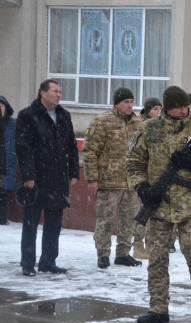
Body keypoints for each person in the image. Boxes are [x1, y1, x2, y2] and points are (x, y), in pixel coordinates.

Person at [126, 85, 191, 323]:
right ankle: (158, 307)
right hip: (159, 207)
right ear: (166, 107)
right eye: (178, 107)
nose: (183, 111)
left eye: (185, 106)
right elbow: (134, 162)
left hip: (189, 208)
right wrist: (142, 188)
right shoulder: (149, 129)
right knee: (157, 258)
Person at [16, 79, 79, 276]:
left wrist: (73, 172)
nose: (59, 95)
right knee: (31, 223)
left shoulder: (64, 115)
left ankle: (48, 261)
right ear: (43, 93)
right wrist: (28, 175)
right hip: (36, 179)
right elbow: (23, 148)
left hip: (58, 179)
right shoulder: (27, 115)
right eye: (55, 91)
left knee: (54, 223)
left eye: (60, 92)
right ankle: (28, 263)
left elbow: (71, 146)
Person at [83, 87, 143, 269]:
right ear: (116, 103)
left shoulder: (138, 124)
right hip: (109, 181)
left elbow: (143, 152)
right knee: (105, 220)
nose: (130, 105)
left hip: (131, 183)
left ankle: (123, 253)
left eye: (132, 102)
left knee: (129, 219)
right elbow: (90, 151)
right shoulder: (102, 122)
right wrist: (92, 178)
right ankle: (103, 254)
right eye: (126, 102)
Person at [133, 97, 162, 259]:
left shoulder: (159, 126)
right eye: (155, 109)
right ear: (147, 109)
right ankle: (137, 245)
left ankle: (150, 245)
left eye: (160, 109)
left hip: (155, 175)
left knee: (152, 213)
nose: (158, 112)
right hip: (141, 176)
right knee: (142, 212)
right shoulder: (139, 125)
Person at [0, 95, 15, 224]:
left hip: (7, 164)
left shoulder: (13, 124)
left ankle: (2, 220)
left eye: (1, 106)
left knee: (3, 194)